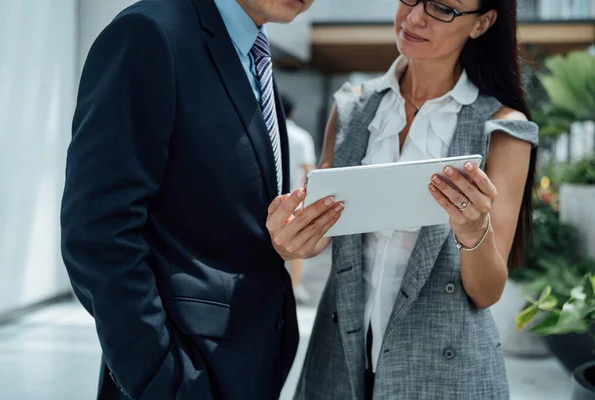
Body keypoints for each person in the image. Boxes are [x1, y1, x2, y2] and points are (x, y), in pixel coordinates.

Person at [267, 0, 539, 399]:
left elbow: (487, 292)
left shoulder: (502, 128)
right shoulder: (352, 108)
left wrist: (472, 229)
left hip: (444, 372)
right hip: (338, 361)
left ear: (482, 23)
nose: (414, 18)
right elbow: (318, 233)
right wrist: (290, 238)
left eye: (443, 8)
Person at [60, 0, 318, 398]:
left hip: (249, 364)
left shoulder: (252, 51)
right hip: (182, 372)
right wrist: (158, 377)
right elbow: (97, 230)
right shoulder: (150, 34)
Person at [281, 94, 317, 304]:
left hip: (270, 197)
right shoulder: (301, 136)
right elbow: (309, 171)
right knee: (297, 245)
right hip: (294, 199)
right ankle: (293, 287)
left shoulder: (269, 131)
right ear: (293, 112)